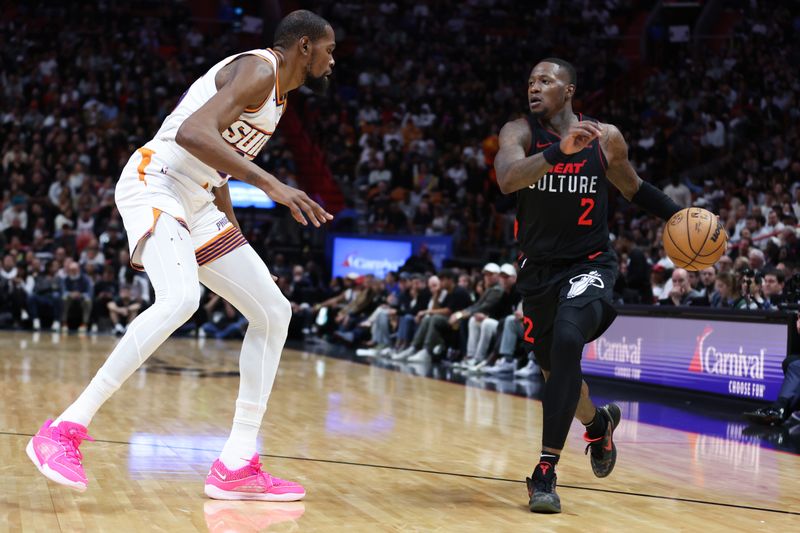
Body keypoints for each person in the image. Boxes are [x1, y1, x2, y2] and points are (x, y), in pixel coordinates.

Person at [27, 10, 336, 501]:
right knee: (180, 299)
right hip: (157, 181)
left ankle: (237, 463)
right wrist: (274, 185)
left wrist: (237, 238)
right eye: (328, 50)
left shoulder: (278, 100)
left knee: (274, 311)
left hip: (200, 200)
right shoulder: (259, 69)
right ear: (303, 46)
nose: (332, 60)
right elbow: (194, 134)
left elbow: (218, 169)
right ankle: (63, 430)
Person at [494, 58, 687, 513]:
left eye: (545, 80)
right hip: (538, 272)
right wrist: (559, 152)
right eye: (530, 81)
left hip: (590, 264)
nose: (534, 88)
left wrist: (677, 217)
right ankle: (598, 425)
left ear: (570, 90)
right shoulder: (519, 133)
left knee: (566, 338)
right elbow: (507, 179)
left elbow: (633, 187)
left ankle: (544, 472)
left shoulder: (605, 138)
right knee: (556, 372)